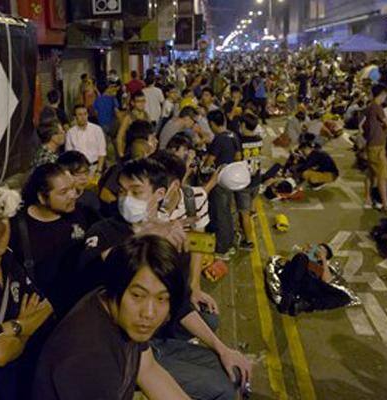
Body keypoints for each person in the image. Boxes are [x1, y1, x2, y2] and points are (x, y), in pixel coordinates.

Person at [81, 159, 252, 400]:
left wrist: (222, 348)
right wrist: (144, 235)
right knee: (221, 388)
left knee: (232, 373)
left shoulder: (168, 237)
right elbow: (92, 269)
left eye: (136, 192)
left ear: (160, 194)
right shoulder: (103, 231)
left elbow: (179, 302)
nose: (125, 198)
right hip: (124, 346)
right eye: (122, 191)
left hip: (155, 339)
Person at [32, 236, 191, 400]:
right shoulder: (88, 356)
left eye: (161, 298)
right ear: (116, 285)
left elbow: (148, 369)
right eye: (138, 295)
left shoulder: (124, 315)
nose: (149, 313)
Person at [0, 188, 54, 400]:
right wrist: (24, 325)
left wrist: (14, 328)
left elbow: (46, 306)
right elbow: (0, 354)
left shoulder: (10, 260)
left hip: (16, 384)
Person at [12, 163, 88, 312]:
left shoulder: (84, 214)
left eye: (73, 188)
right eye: (64, 192)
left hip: (79, 308)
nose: (73, 195)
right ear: (42, 197)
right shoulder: (17, 228)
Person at [205, 110, 241, 259]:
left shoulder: (219, 139)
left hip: (220, 180)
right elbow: (238, 157)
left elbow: (209, 161)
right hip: (231, 180)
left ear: (212, 124)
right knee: (226, 211)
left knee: (221, 213)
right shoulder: (233, 135)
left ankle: (222, 249)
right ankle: (230, 241)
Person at [235, 112, 264, 251]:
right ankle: (252, 213)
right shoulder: (259, 139)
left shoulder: (239, 141)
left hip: (244, 183)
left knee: (243, 214)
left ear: (244, 125)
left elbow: (237, 158)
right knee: (250, 208)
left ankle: (248, 241)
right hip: (256, 179)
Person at [362, 84, 387, 211]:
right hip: (378, 145)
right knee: (381, 175)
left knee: (371, 173)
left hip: (370, 143)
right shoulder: (378, 108)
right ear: (382, 94)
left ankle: (368, 199)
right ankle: (385, 203)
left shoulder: (369, 108)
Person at [57, 151, 101, 225]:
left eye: (86, 173)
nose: (84, 178)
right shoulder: (57, 200)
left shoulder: (91, 198)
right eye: (78, 174)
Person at [65, 105, 107, 176]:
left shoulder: (97, 130)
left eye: (85, 114)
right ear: (75, 117)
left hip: (95, 167)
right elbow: (69, 155)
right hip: (78, 170)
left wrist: (99, 171)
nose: (83, 117)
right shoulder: (70, 133)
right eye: (80, 115)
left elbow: (102, 152)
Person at [116, 90, 150, 157]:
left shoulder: (146, 115)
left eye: (143, 101)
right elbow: (120, 136)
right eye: (138, 101)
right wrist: (121, 153)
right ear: (133, 103)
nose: (141, 104)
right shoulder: (129, 117)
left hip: (144, 151)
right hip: (131, 151)